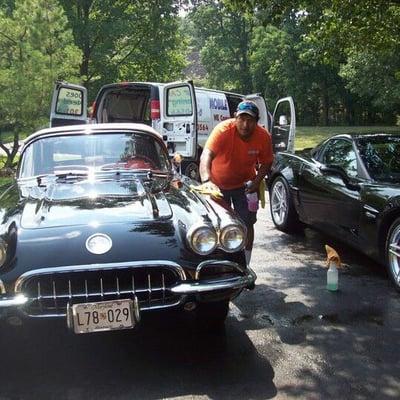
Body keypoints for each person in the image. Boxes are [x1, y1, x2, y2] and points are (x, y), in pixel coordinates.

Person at [199, 100, 273, 265]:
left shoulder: (263, 136)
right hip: (217, 186)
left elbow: (267, 162)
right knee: (217, 224)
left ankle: (245, 264)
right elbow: (206, 156)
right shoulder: (223, 130)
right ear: (235, 118)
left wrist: (257, 181)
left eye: (250, 120)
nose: (245, 124)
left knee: (247, 224)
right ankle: (218, 265)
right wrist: (207, 181)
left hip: (245, 187)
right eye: (242, 119)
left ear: (257, 121)